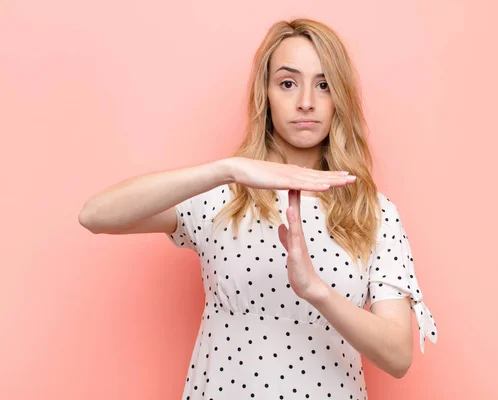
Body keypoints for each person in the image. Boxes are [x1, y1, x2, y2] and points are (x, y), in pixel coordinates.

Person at [79, 18, 438, 400]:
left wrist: (315, 290)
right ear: (264, 94)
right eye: (287, 83)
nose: (306, 101)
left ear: (341, 98)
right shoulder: (222, 195)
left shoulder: (375, 211)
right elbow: (96, 215)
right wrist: (226, 169)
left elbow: (398, 356)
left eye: (324, 84)